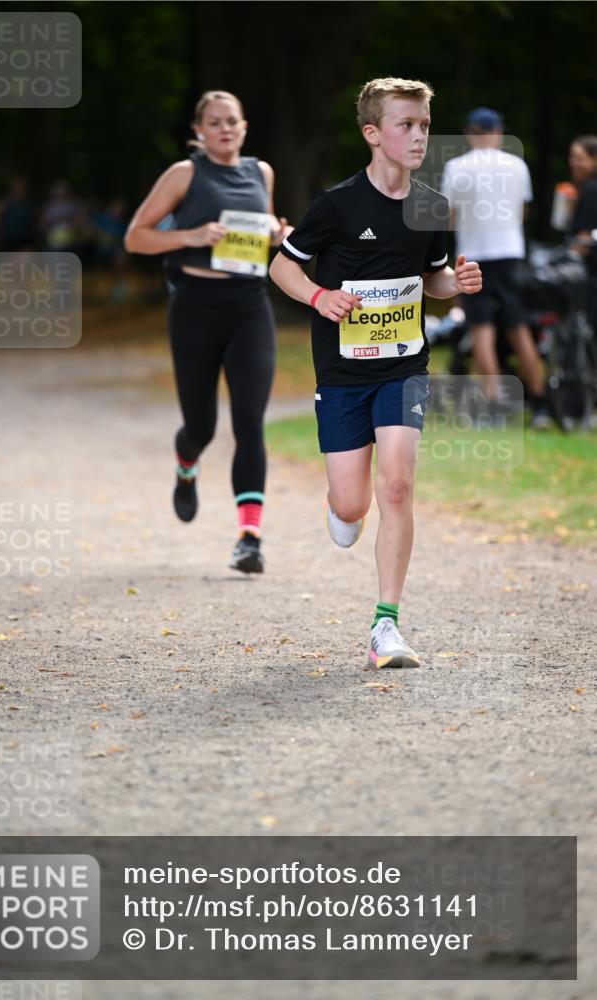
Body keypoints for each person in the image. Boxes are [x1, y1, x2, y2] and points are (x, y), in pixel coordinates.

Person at [269, 77, 482, 669]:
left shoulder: (432, 206)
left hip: (404, 367)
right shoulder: (336, 205)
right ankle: (341, 505)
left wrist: (454, 285)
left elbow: (432, 277)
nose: (418, 136)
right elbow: (282, 268)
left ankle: (385, 626)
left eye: (423, 126)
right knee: (354, 502)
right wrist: (318, 298)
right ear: (373, 134)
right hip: (342, 372)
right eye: (405, 125)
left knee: (397, 485)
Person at [124, 90, 289, 573]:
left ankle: (249, 538)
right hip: (195, 307)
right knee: (202, 427)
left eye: (231, 121)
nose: (224, 128)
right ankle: (186, 465)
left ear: (244, 126)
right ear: (199, 131)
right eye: (213, 122)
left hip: (249, 306)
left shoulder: (262, 172)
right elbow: (135, 236)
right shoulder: (184, 174)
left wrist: (276, 234)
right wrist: (190, 236)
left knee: (249, 424)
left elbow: (260, 232)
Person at [441, 107, 550, 428]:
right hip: (510, 256)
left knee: (482, 333)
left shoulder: (456, 168)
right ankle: (541, 403)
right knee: (519, 330)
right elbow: (521, 212)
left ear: (468, 134)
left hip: (474, 256)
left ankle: (494, 409)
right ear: (498, 132)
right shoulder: (516, 164)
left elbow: (448, 217)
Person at [568, 135, 597, 330]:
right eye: (572, 157)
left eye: (580, 158)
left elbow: (583, 238)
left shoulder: (591, 190)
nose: (574, 163)